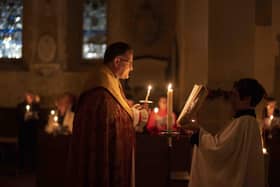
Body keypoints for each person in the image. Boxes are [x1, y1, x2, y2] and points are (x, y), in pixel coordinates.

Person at [67, 42, 148, 187]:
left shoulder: (110, 80)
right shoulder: (101, 90)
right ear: (117, 61)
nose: (132, 68)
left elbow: (117, 111)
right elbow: (112, 119)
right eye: (130, 62)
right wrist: (137, 116)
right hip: (100, 153)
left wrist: (132, 111)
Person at [187, 78, 266, 187]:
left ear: (247, 98)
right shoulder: (249, 122)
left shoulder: (244, 122)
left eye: (234, 95)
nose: (231, 99)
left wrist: (198, 134)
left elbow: (219, 148)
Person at [17, 91, 41, 172]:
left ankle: (33, 166)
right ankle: (21, 166)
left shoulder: (36, 106)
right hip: (23, 131)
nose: (31, 98)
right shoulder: (20, 106)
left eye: (32, 97)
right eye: (29, 97)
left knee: (33, 149)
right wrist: (25, 116)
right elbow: (18, 118)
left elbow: (39, 118)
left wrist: (34, 115)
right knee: (22, 148)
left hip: (33, 131)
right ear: (26, 97)